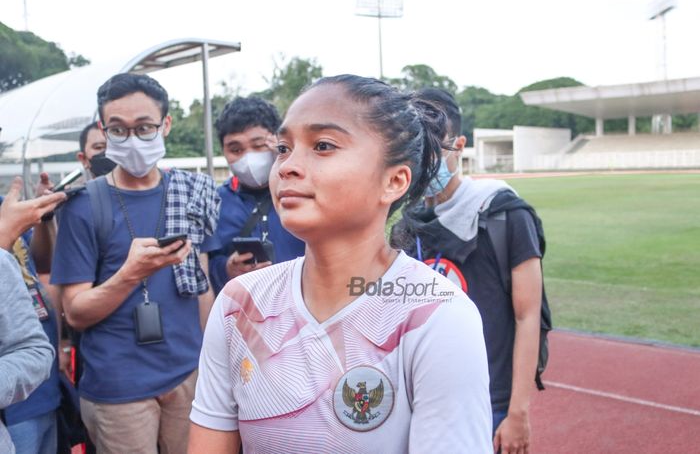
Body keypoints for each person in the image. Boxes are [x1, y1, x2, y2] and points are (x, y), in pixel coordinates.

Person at [188, 75, 492, 453]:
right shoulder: (239, 306)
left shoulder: (436, 316)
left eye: (323, 145)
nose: (287, 167)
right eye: (283, 147)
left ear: (394, 181)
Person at [51, 73, 220, 454]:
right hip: (119, 390)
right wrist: (131, 274)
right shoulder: (83, 206)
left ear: (166, 125)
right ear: (103, 129)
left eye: (144, 128)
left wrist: (211, 360)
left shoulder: (192, 192)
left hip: (188, 376)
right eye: (118, 129)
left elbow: (202, 284)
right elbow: (76, 313)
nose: (132, 139)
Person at [391, 88, 543, 454]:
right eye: (415, 149)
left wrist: (518, 412)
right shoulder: (406, 223)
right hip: (424, 398)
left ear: (459, 145)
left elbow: (527, 314)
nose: (426, 161)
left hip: (491, 400)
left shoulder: (505, 213)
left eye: (435, 149)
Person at [208, 97, 305, 295]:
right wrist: (226, 268)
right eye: (235, 149)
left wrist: (287, 156)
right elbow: (205, 265)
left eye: (259, 145)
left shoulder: (304, 193)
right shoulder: (215, 202)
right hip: (244, 312)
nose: (248, 157)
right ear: (224, 151)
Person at [1, 176, 65, 454]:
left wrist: (46, 218)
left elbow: (43, 263)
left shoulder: (7, 207)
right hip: (12, 406)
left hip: (38, 378)